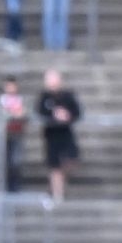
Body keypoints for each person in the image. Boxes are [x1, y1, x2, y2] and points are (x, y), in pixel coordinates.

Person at [36, 69, 81, 202]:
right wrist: (53, 115)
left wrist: (67, 115)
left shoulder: (67, 96)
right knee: (54, 166)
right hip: (51, 134)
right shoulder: (44, 97)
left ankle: (58, 185)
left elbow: (77, 112)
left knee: (71, 160)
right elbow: (40, 112)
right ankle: (57, 193)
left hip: (66, 133)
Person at [0, 75, 28, 191]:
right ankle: (6, 183)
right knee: (5, 160)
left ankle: (15, 183)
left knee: (15, 160)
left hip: (17, 133)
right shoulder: (1, 100)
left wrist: (16, 114)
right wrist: (13, 114)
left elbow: (23, 113)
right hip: (4, 134)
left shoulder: (20, 100)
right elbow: (1, 114)